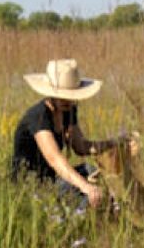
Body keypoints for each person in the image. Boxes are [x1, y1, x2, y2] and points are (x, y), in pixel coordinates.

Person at [12, 58, 129, 208]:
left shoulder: (68, 110)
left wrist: (114, 143)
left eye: (71, 96)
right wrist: (85, 187)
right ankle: (83, 217)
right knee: (82, 198)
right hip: (30, 186)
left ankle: (113, 209)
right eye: (63, 95)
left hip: (52, 180)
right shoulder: (39, 116)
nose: (68, 100)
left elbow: (81, 146)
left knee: (90, 171)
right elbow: (55, 159)